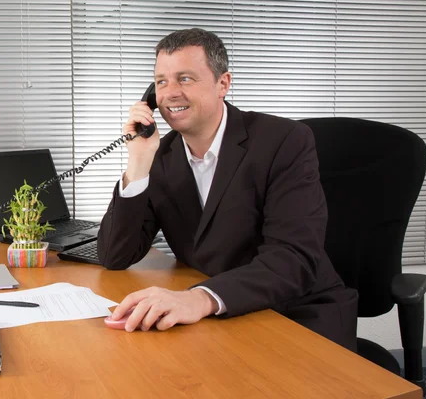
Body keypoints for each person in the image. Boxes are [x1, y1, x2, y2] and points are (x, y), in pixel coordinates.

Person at [96, 28, 358, 351]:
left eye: (185, 79)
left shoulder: (284, 142)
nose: (170, 93)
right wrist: (137, 163)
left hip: (299, 315)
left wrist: (200, 299)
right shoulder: (160, 157)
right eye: (161, 82)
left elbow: (293, 259)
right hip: (224, 320)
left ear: (224, 84)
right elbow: (114, 255)